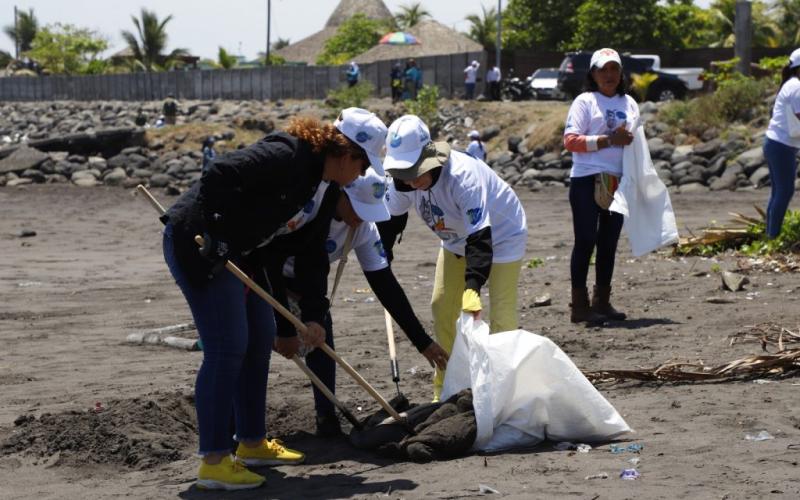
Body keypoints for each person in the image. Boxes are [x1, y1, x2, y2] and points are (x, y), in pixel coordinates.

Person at [160, 107, 385, 490]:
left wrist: (313, 317)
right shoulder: (288, 154)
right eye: (364, 166)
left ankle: (251, 443)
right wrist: (216, 235)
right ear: (347, 154)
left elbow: (311, 255)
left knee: (260, 337)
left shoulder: (325, 187)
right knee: (227, 348)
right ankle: (214, 460)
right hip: (199, 247)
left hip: (243, 256)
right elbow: (219, 173)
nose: (362, 175)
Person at [272, 168, 449, 436]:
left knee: (320, 338)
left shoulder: (363, 228)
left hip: (308, 286)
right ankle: (239, 428)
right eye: (358, 209)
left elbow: (385, 285)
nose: (360, 219)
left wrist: (421, 340)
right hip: (266, 276)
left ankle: (326, 418)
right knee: (251, 344)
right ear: (341, 194)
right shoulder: (308, 211)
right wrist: (283, 327)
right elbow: (267, 257)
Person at [379, 115, 528, 401]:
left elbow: (480, 239)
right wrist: (382, 255)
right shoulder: (404, 183)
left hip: (501, 235)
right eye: (402, 173)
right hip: (454, 240)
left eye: (413, 171)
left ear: (429, 156)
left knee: (501, 317)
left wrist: (473, 287)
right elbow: (389, 222)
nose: (409, 181)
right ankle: (446, 388)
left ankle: (502, 395)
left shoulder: (462, 178)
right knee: (442, 307)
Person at [562, 48, 638, 325]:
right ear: (593, 74)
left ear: (621, 73)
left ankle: (602, 301)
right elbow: (570, 141)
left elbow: (634, 142)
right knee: (585, 241)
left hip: (618, 180)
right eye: (603, 69)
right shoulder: (585, 101)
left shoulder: (629, 102)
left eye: (614, 69)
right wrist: (607, 140)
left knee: (608, 244)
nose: (609, 75)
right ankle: (579, 306)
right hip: (586, 178)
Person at [764, 48, 800, 239]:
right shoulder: (797, 87)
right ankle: (773, 236)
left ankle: (769, 235)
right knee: (785, 191)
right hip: (782, 146)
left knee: (778, 191)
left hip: (776, 143)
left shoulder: (791, 84)